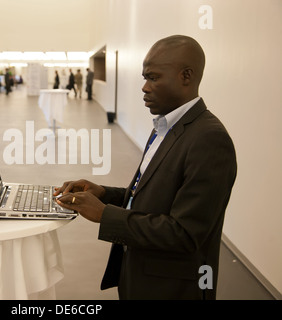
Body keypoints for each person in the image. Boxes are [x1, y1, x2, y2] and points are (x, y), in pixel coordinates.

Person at [54, 35, 237, 300]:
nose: (144, 87)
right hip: (140, 273)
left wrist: (105, 215)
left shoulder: (209, 140)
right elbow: (150, 195)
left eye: (153, 77)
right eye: (144, 77)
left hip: (172, 288)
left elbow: (185, 234)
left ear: (186, 76)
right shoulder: (164, 128)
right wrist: (103, 193)